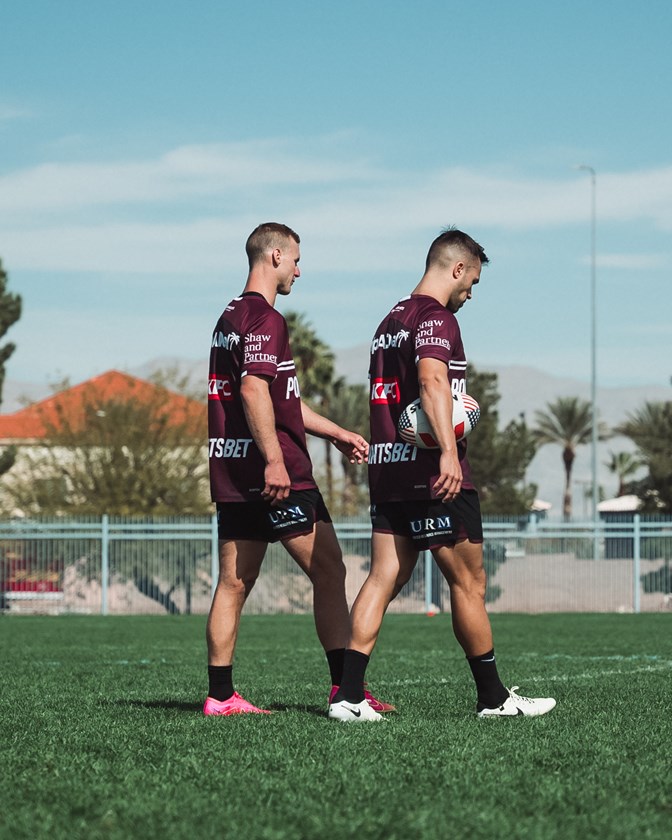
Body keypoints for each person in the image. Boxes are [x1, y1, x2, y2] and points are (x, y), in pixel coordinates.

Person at [328, 228, 556, 722]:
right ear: (456, 269)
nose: (470, 294)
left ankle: (347, 695)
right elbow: (432, 380)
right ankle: (494, 698)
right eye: (471, 282)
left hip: (388, 471)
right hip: (433, 475)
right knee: (469, 583)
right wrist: (450, 453)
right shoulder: (437, 319)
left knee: (383, 576)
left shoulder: (389, 320)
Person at [204, 222, 393, 716]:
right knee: (331, 570)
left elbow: (280, 400)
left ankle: (220, 697)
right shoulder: (266, 318)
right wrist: (273, 461)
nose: (298, 270)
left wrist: (336, 432)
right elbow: (252, 392)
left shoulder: (228, 317)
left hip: (231, 471)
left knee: (233, 583)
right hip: (278, 473)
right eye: (294, 260)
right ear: (273, 257)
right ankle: (344, 691)